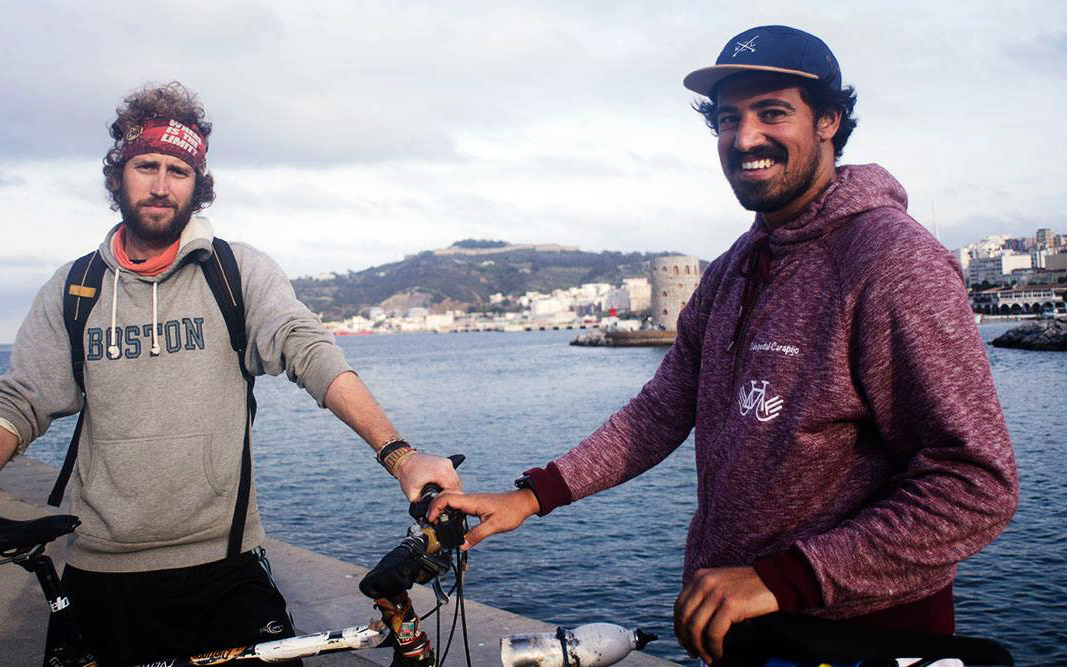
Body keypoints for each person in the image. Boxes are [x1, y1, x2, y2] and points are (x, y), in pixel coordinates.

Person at [427, 25, 1017, 665]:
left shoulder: (893, 261)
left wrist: (782, 579)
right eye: (729, 119)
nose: (745, 138)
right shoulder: (736, 266)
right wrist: (531, 496)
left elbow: (974, 483)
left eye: (773, 112)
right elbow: (661, 410)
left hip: (859, 635)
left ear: (828, 120)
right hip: (742, 626)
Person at [0, 82, 460, 665]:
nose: (161, 185)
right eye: (146, 166)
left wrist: (399, 455)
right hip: (100, 572)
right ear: (118, 175)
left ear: (198, 185)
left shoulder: (236, 273)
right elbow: (17, 402)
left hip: (224, 569)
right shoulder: (75, 288)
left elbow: (309, 351)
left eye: (178, 171)